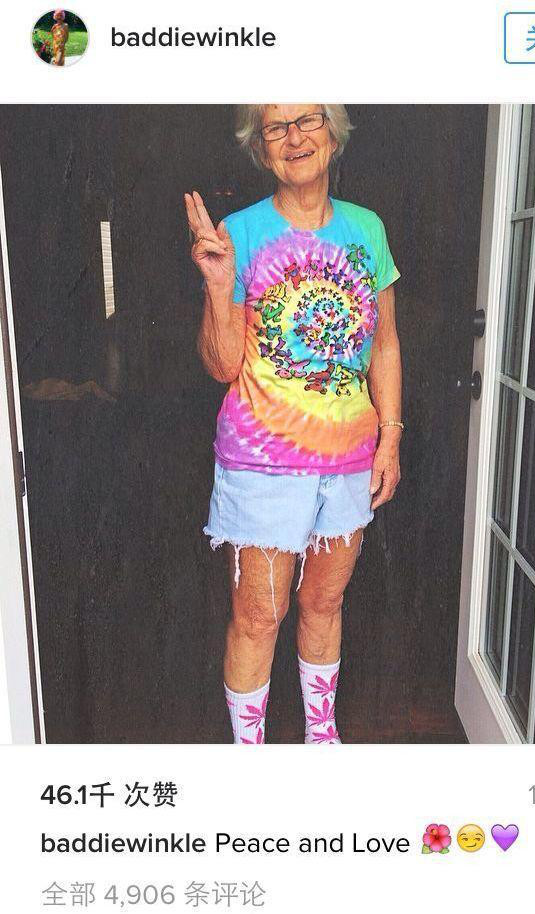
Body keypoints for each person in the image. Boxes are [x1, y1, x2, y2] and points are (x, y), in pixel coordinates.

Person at [184, 104, 402, 744]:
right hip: (263, 465)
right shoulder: (240, 232)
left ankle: (320, 736)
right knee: (258, 615)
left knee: (325, 604)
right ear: (260, 147)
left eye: (308, 120)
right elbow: (223, 365)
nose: (295, 138)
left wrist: (391, 435)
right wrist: (218, 285)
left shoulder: (367, 229)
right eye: (277, 128)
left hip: (349, 460)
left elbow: (385, 345)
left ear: (333, 131)